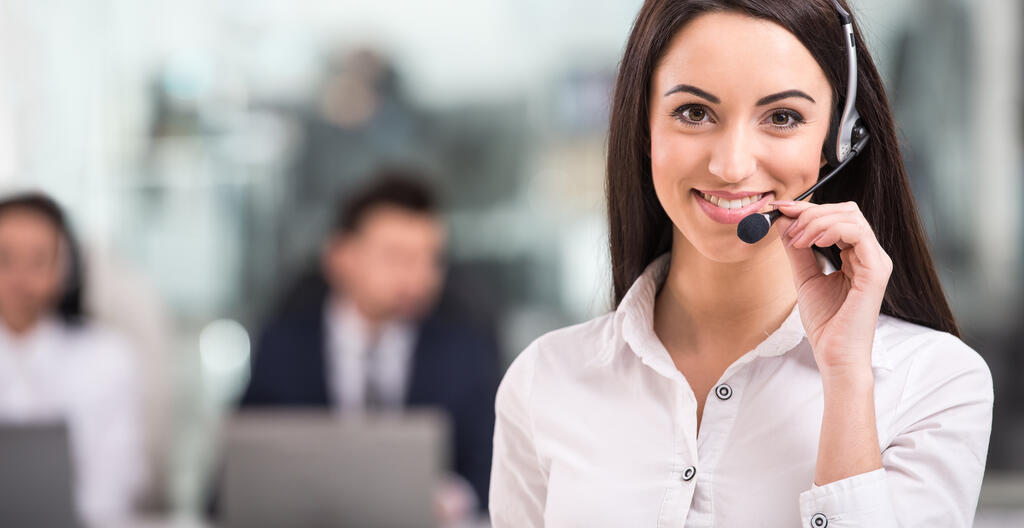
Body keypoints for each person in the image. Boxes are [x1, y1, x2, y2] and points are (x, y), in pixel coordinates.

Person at [489, 1, 993, 527]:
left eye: (781, 117)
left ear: (838, 142)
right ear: (644, 127)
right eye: (694, 112)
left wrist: (847, 381)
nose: (731, 165)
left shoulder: (935, 383)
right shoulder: (544, 382)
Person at [241, 171, 499, 516]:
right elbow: (239, 469)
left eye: (430, 259)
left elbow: (495, 466)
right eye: (397, 257)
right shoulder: (284, 347)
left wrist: (452, 499)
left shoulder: (463, 349)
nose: (418, 277)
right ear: (340, 257)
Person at [0, 192, 146, 526]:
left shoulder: (107, 358)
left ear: (65, 269)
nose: (18, 279)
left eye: (37, 260)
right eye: (4, 259)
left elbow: (115, 488)